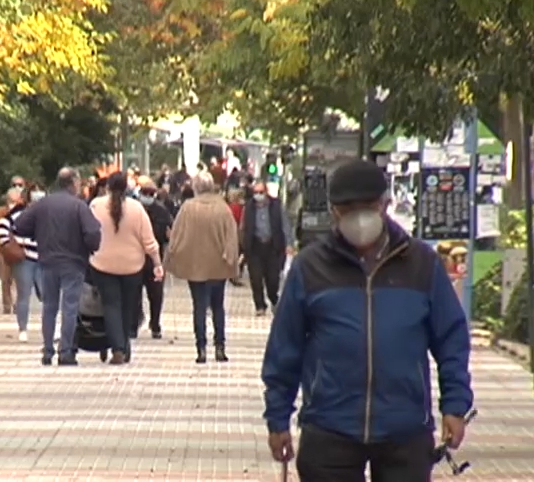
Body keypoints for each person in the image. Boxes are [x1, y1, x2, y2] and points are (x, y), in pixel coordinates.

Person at [262, 158, 472, 482]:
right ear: (334, 211)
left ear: (385, 204)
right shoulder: (310, 267)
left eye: (368, 206)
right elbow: (284, 347)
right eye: (348, 209)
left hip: (405, 427)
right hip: (330, 426)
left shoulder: (421, 264)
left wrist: (455, 405)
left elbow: (451, 339)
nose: (359, 217)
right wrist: (278, 419)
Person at [15, 167, 102, 366]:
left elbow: (19, 225)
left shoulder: (42, 204)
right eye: (78, 181)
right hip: (73, 263)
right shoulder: (79, 207)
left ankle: (47, 351)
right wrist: (90, 248)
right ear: (73, 183)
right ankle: (66, 352)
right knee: (70, 307)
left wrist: (38, 234)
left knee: (49, 307)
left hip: (47, 262)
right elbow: (93, 232)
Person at [89, 173, 163, 364]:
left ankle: (118, 348)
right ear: (128, 188)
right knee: (128, 307)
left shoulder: (96, 206)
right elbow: (149, 241)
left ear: (108, 188)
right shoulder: (137, 209)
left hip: (102, 264)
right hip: (132, 266)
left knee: (110, 306)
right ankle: (124, 345)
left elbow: (88, 233)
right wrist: (157, 263)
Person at [165, 171, 239, 364]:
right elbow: (232, 236)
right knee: (218, 306)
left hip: (195, 266)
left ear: (196, 187)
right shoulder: (223, 209)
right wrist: (231, 260)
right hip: (219, 266)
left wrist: (171, 255)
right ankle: (220, 347)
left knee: (199, 306)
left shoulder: (188, 208)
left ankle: (201, 349)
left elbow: (176, 235)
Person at [241, 181, 295, 316]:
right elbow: (243, 227)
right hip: (255, 247)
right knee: (256, 278)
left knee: (273, 279)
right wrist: (242, 247)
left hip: (273, 247)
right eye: (255, 193)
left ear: (266, 192)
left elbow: (285, 225)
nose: (258, 196)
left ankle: (273, 298)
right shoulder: (249, 207)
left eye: (260, 192)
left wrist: (289, 243)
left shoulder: (276, 206)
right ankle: (260, 305)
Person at [0, 186, 43, 342]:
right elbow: (2, 228)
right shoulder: (16, 214)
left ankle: (51, 327)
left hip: (45, 258)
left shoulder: (49, 212)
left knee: (47, 294)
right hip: (24, 258)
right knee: (24, 294)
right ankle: (22, 328)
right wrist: (10, 246)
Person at [137, 182, 173, 339]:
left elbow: (168, 232)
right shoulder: (134, 209)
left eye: (151, 194)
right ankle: (134, 322)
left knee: (156, 294)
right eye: (146, 193)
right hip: (136, 257)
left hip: (154, 258)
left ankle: (155, 323)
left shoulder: (161, 211)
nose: (148, 197)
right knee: (134, 293)